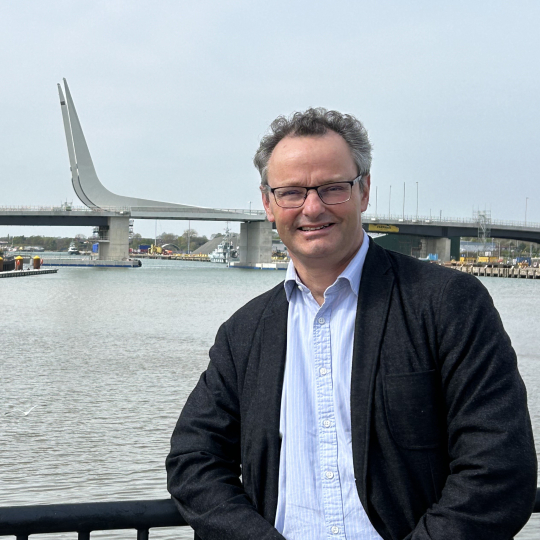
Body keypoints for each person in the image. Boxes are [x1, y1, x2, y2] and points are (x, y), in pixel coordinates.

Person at [166, 108, 536, 539]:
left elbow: (499, 469)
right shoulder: (245, 332)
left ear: (364, 191)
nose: (312, 207)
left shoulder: (445, 304)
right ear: (268, 203)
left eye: (332, 188)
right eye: (291, 192)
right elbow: (194, 461)